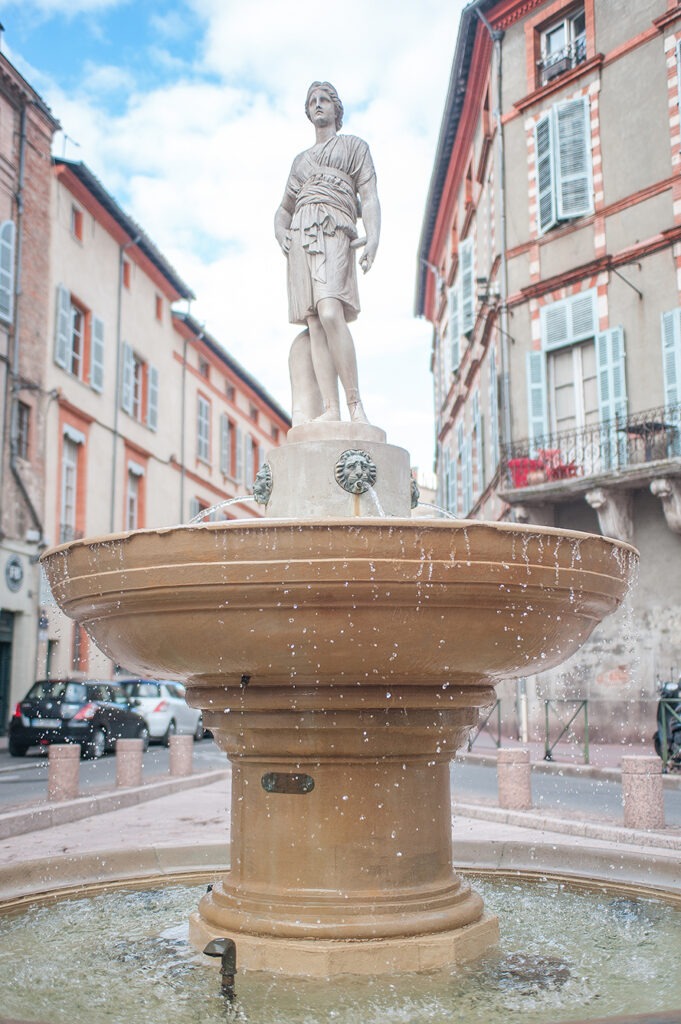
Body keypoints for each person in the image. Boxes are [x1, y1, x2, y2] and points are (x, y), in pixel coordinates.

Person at [274, 81, 381, 425]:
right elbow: (283, 210)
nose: (318, 105)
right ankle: (331, 410)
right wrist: (280, 233)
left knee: (330, 310)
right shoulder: (299, 162)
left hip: (335, 228)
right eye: (312, 101)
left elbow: (370, 195)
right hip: (300, 236)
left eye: (324, 100)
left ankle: (355, 405)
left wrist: (374, 236)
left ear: (337, 109)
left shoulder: (354, 147)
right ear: (307, 112)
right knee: (315, 322)